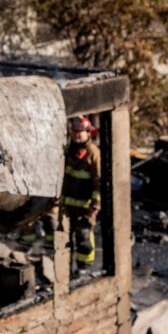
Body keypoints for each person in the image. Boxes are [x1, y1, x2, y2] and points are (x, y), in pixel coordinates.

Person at [46, 116, 102, 271]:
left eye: (81, 132)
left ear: (88, 133)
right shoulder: (68, 151)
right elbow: (61, 176)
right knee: (65, 240)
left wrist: (96, 203)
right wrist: (56, 196)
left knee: (83, 237)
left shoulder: (93, 153)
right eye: (74, 131)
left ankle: (84, 269)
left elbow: (99, 180)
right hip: (67, 206)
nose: (77, 135)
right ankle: (65, 272)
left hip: (85, 207)